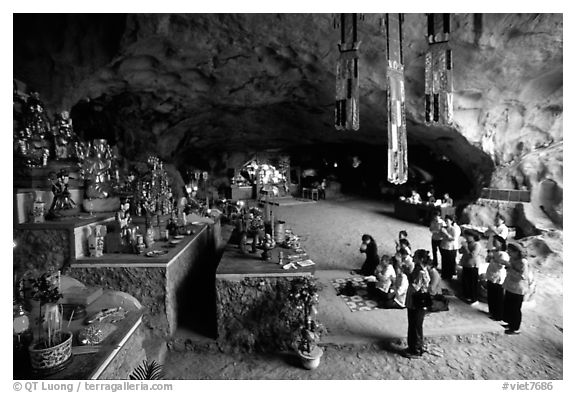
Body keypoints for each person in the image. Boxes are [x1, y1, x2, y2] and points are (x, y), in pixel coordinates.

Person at [404, 249, 431, 358]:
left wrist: (407, 275)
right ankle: (414, 347)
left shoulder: (421, 272)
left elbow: (416, 287)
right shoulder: (418, 268)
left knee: (415, 325)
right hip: (415, 300)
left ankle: (415, 350)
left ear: (421, 259)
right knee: (414, 325)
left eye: (415, 256)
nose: (413, 257)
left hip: (417, 302)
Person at [502, 242, 530, 334]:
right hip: (511, 286)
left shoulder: (522, 262)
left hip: (518, 288)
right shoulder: (513, 258)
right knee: (509, 306)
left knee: (515, 309)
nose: (509, 253)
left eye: (510, 251)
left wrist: (510, 268)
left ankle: (516, 328)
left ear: (517, 252)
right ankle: (510, 324)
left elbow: (522, 276)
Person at [485, 235, 509, 322]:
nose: (494, 242)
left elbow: (499, 267)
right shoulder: (494, 251)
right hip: (491, 276)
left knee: (497, 297)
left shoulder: (503, 254)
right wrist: (490, 257)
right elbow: (487, 260)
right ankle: (492, 312)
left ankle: (498, 315)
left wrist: (492, 258)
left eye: (496, 241)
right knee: (491, 296)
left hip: (497, 277)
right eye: (494, 240)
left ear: (501, 243)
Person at [459, 230, 483, 304]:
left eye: (467, 236)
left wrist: (466, 247)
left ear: (473, 237)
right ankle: (466, 296)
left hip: (473, 265)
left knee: (472, 282)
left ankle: (474, 298)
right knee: (465, 281)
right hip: (466, 264)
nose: (466, 238)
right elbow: (460, 251)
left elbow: (472, 255)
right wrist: (463, 247)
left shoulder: (477, 245)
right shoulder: (467, 243)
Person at [439, 215, 461, 280]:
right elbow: (441, 236)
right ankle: (444, 274)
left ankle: (449, 276)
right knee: (444, 261)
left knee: (450, 262)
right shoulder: (445, 227)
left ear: (451, 221)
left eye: (447, 221)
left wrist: (446, 233)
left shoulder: (455, 228)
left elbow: (453, 238)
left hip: (451, 248)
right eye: (445, 220)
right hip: (444, 246)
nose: (446, 222)